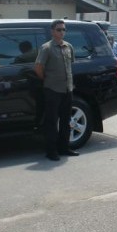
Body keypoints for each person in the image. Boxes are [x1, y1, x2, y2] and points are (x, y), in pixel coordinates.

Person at [34, 19, 79, 161]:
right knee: (52, 122)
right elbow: (38, 68)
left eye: (63, 29)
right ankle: (51, 151)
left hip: (67, 89)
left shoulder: (68, 47)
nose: (62, 32)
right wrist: (48, 79)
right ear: (52, 31)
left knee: (66, 120)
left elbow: (71, 65)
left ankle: (64, 148)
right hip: (52, 89)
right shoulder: (46, 48)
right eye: (59, 29)